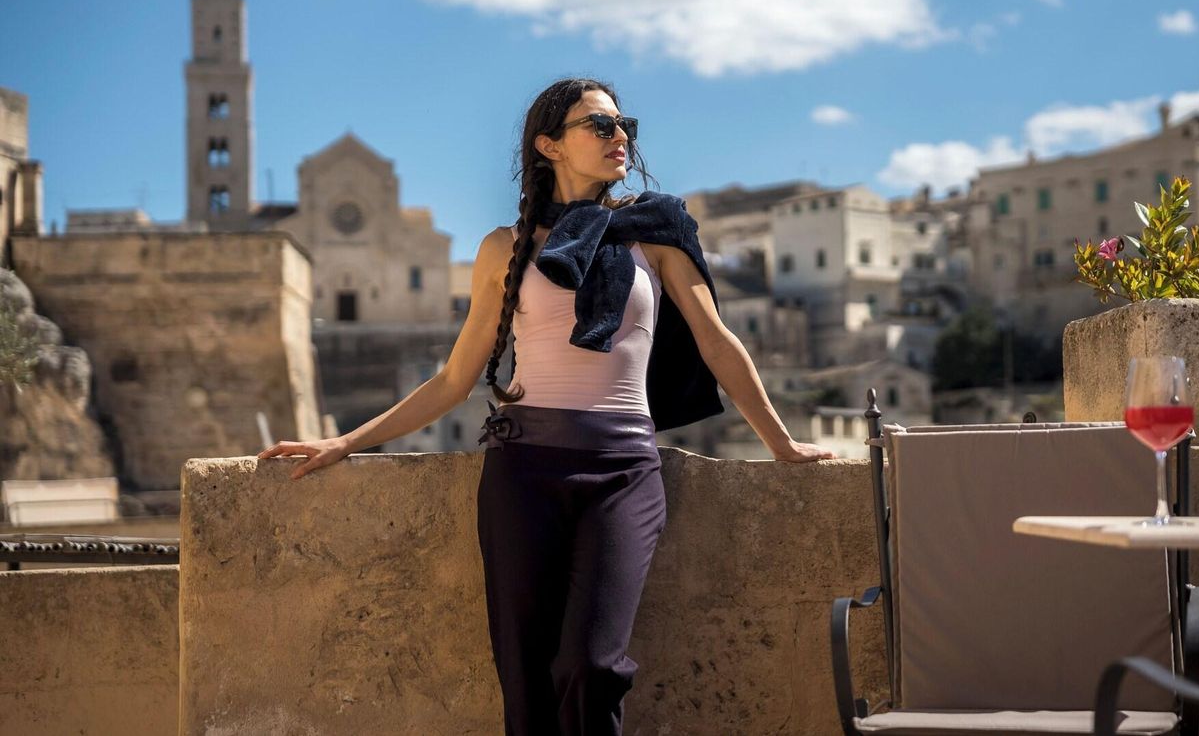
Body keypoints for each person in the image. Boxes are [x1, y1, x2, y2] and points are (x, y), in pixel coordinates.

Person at [257, 77, 835, 735]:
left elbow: (716, 342)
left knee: (592, 665)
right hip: (523, 470)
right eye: (601, 125)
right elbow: (452, 380)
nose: (621, 136)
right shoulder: (506, 248)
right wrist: (345, 441)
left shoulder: (656, 232)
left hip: (624, 472)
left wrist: (781, 442)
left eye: (625, 125)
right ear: (549, 144)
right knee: (525, 673)